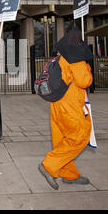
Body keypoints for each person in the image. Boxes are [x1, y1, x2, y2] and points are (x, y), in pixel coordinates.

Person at [38, 26, 94, 190]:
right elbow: (84, 81)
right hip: (71, 105)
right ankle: (49, 165)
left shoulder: (60, 58)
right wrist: (88, 69)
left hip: (57, 104)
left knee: (62, 139)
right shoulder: (76, 58)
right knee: (79, 137)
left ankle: (69, 173)